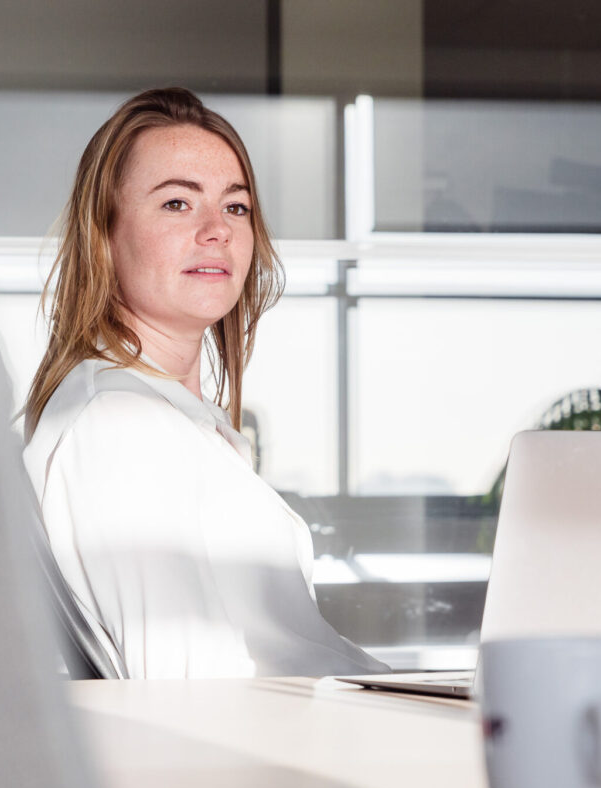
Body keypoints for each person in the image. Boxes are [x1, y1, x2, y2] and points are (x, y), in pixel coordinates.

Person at [22, 88, 388, 679]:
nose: (217, 230)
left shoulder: (170, 421)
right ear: (105, 236)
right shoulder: (120, 426)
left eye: (236, 207)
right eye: (176, 204)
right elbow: (184, 692)